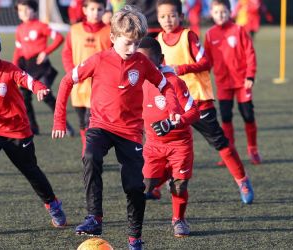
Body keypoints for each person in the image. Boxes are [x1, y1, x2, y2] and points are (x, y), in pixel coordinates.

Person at [52, 5, 178, 250]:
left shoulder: (142, 62)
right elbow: (67, 81)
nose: (132, 49)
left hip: (130, 132)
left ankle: (134, 238)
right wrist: (58, 119)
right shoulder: (99, 59)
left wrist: (173, 108)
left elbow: (166, 85)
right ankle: (94, 217)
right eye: (127, 43)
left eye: (136, 43)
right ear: (112, 38)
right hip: (100, 124)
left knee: (134, 187)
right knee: (90, 156)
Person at [0, 26, 67, 231]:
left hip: (18, 131)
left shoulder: (10, 69)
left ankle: (52, 203)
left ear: (0, 51)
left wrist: (39, 88)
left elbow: (26, 79)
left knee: (31, 171)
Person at [155, 0, 254, 204]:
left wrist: (180, 69)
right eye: (163, 16)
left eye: (172, 15)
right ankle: (155, 185)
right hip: (175, 104)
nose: (168, 20)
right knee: (165, 145)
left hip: (198, 100)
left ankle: (242, 180)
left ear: (180, 17)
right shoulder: (158, 39)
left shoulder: (188, 36)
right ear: (158, 18)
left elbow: (206, 63)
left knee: (220, 143)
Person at [138, 37, 200, 237]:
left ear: (160, 59)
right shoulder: (136, 81)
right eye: (139, 61)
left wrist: (173, 123)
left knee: (180, 185)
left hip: (179, 144)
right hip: (153, 145)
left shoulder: (174, 82)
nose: (143, 65)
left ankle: (179, 219)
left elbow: (194, 113)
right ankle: (166, 177)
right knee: (145, 187)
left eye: (147, 60)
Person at [205, 0, 261, 165]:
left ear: (230, 12)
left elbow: (250, 53)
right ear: (212, 14)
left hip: (243, 83)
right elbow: (207, 61)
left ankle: (253, 150)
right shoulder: (210, 34)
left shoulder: (239, 30)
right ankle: (230, 152)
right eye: (216, 12)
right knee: (226, 117)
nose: (220, 15)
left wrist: (250, 76)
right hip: (223, 84)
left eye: (223, 12)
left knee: (248, 116)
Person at [13, 0, 74, 136]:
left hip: (40, 65)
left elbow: (59, 38)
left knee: (46, 95)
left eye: (27, 9)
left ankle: (64, 124)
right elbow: (18, 51)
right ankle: (33, 128)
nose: (24, 13)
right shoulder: (19, 30)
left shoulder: (41, 26)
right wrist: (14, 69)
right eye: (21, 10)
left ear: (34, 10)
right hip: (26, 66)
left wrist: (46, 52)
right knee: (24, 97)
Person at [61, 0, 112, 156]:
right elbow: (67, 53)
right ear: (84, 10)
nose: (95, 12)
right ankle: (88, 149)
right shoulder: (75, 30)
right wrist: (71, 72)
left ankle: (89, 152)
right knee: (82, 121)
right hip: (78, 85)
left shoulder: (110, 31)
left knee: (91, 121)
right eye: (92, 9)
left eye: (99, 9)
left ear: (104, 11)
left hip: (98, 86)